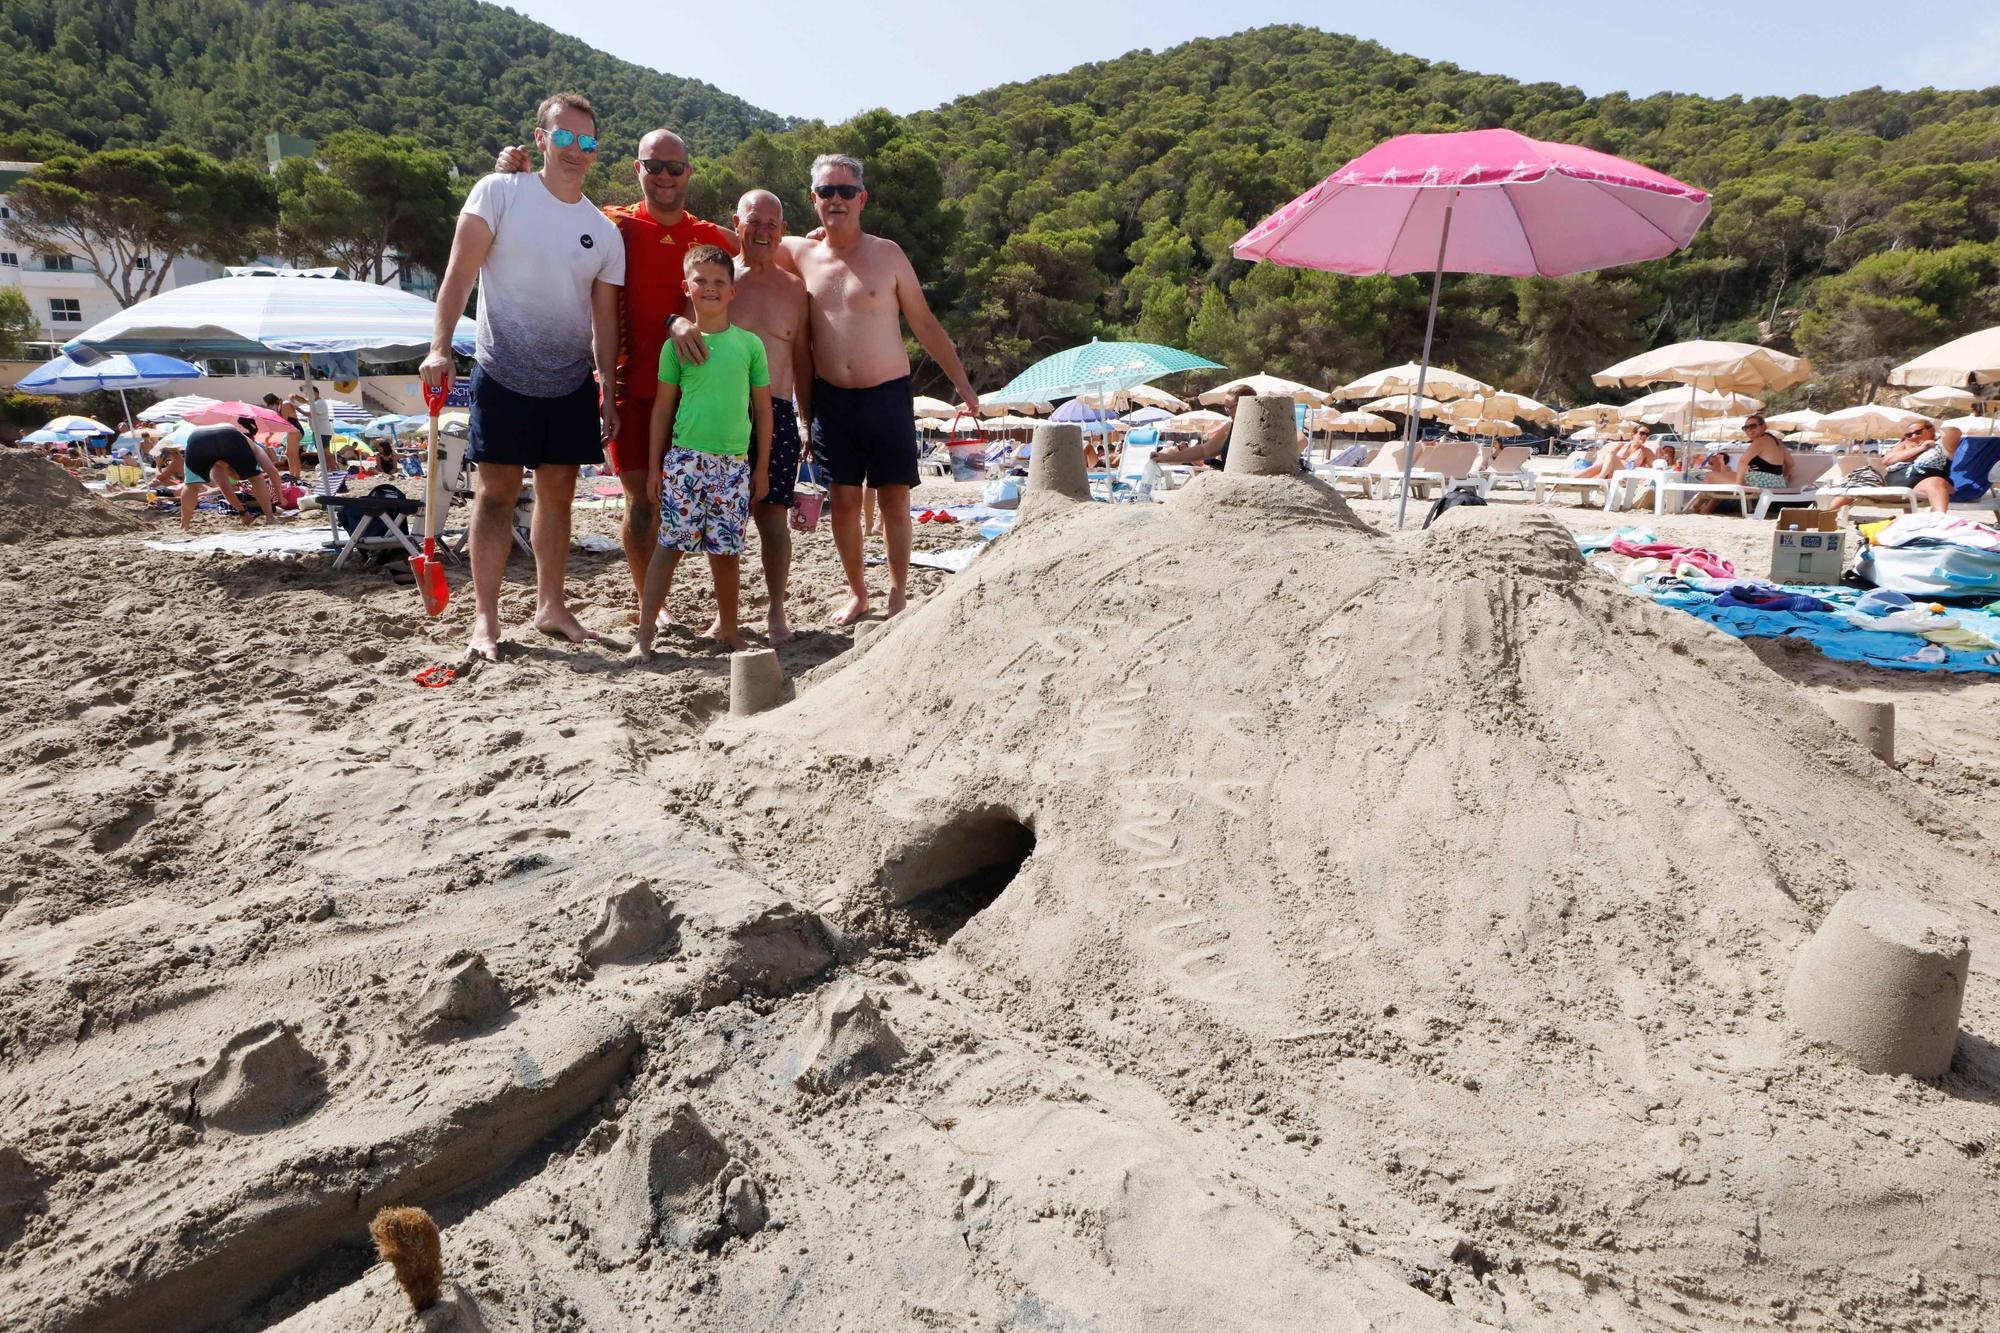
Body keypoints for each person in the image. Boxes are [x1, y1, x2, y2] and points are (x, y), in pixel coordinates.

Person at [421, 92, 625, 662]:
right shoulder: (498, 192)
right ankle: (485, 620)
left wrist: (607, 386)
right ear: (541, 139)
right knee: (495, 495)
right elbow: (459, 275)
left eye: (587, 142)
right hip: (502, 370)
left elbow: (604, 319)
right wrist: (439, 348)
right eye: (564, 137)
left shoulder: (602, 231)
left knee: (559, 497)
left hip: (569, 381)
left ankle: (550, 605)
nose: (576, 151)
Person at [782, 153, 980, 625]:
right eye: (826, 192)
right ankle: (858, 593)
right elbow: (743, 241)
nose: (836, 199)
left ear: (862, 198)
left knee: (894, 498)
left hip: (888, 393)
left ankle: (896, 590)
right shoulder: (798, 253)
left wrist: (963, 386)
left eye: (845, 191)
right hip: (832, 398)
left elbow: (926, 324)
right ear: (813, 199)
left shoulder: (887, 253)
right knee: (845, 502)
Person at [629, 245, 772, 661]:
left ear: (732, 291)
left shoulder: (750, 346)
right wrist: (655, 468)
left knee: (726, 554)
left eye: (719, 282)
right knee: (667, 549)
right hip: (686, 460)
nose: (710, 288)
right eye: (701, 281)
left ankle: (729, 631)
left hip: (734, 465)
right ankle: (643, 637)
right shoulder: (674, 347)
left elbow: (763, 410)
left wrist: (760, 468)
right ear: (686, 287)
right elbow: (661, 409)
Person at [725, 189, 812, 642]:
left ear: (782, 230)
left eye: (771, 224)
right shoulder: (720, 280)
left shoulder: (795, 289)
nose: (762, 231)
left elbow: (801, 362)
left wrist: (808, 421)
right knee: (725, 519)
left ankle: (776, 612)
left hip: (777, 414)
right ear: (736, 222)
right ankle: (727, 614)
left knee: (772, 517)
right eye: (753, 222)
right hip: (724, 413)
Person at [1825, 418, 1963, 517]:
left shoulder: (1941, 446)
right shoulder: (1902, 446)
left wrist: (1934, 433)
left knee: (1935, 482)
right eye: (1908, 435)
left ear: (1931, 431)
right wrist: (1920, 448)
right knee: (1853, 488)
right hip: (1890, 486)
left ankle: (1939, 520)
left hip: (1922, 486)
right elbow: (1887, 460)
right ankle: (1823, 519)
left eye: (1918, 432)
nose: (1913, 436)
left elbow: (1954, 431)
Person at [180, 418, 286, 532]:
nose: (237, 479)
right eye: (239, 477)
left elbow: (226, 489)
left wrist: (243, 513)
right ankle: (270, 517)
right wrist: (280, 497)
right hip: (228, 435)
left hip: (198, 438)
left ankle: (184, 525)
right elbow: (272, 471)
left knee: (191, 486)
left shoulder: (217, 466)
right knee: (256, 478)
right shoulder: (251, 446)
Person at [1690, 413, 1790, 513]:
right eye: (1745, 428)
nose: (1749, 430)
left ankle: (1696, 505)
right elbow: (1790, 463)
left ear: (1763, 426)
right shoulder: (1777, 441)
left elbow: (1743, 461)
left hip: (1761, 482)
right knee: (1725, 476)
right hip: (1777, 482)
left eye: (1753, 426)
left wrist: (1739, 485)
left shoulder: (1760, 440)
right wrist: (1783, 477)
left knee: (1710, 476)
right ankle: (1707, 509)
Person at [262, 393, 306, 476]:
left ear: (274, 403)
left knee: (294, 455)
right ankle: (292, 474)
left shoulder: (285, 405)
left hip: (295, 430)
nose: (270, 407)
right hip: (292, 431)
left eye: (270, 405)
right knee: (289, 454)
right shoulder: (281, 406)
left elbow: (283, 422)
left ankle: (297, 476)